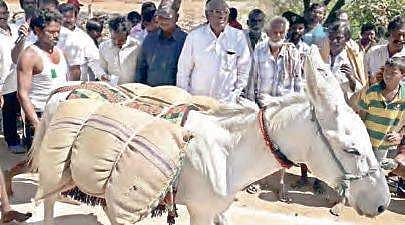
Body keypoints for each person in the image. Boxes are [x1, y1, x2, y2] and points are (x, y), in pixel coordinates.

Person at [251, 16, 302, 200]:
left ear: (286, 33)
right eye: (274, 32)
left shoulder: (293, 53)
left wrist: (296, 106)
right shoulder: (259, 50)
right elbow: (253, 79)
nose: (278, 35)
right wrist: (253, 104)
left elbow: (297, 82)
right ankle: (256, 179)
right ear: (267, 32)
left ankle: (280, 182)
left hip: (283, 106)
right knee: (259, 143)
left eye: (281, 32)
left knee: (282, 146)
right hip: (262, 104)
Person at [177, 0, 250, 103]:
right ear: (207, 14)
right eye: (217, 11)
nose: (221, 16)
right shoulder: (194, 36)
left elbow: (243, 70)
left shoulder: (238, 37)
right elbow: (183, 70)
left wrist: (235, 94)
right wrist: (185, 98)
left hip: (226, 103)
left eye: (225, 12)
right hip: (197, 102)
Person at [358, 55, 404, 170]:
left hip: (387, 145)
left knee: (379, 174)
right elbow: (361, 114)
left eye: (393, 73)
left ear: (403, 75)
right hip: (367, 142)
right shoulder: (372, 91)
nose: (387, 76)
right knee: (363, 171)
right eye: (386, 71)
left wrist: (400, 135)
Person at [135, 0, 186, 87]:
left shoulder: (184, 41)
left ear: (176, 17)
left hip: (174, 95)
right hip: (150, 93)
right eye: (160, 17)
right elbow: (141, 69)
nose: (163, 21)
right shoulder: (149, 39)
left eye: (167, 18)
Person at [0, 1, 25, 154]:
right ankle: (12, 141)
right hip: (4, 81)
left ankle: (26, 139)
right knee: (8, 111)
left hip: (22, 78)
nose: (3, 17)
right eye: (0, 14)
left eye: (5, 13)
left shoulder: (16, 29)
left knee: (22, 111)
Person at [327, 21, 366, 102]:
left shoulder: (353, 59)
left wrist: (351, 78)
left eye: (338, 38)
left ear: (347, 39)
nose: (334, 41)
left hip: (343, 107)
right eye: (331, 37)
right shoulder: (321, 56)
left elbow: (360, 90)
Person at [58, 3, 99, 81]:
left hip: (80, 84)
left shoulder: (84, 38)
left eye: (71, 17)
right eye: (65, 17)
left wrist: (101, 75)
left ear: (76, 18)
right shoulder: (53, 35)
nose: (68, 20)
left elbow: (94, 60)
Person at [97, 16, 141, 84]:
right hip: (113, 89)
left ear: (127, 34)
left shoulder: (137, 46)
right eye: (114, 39)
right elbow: (101, 68)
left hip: (133, 89)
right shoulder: (103, 47)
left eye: (121, 40)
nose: (117, 42)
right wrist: (102, 75)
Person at [365, 16, 405, 85]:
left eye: (404, 35)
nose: (401, 39)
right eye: (398, 34)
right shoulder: (373, 53)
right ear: (389, 34)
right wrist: (374, 80)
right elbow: (363, 78)